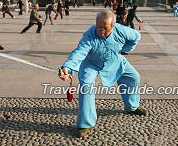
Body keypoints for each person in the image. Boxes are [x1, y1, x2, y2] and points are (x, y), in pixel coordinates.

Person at [58, 10, 146, 138]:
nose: (101, 31)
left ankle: (132, 106)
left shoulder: (121, 30)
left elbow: (136, 36)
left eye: (105, 28)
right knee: (86, 87)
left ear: (113, 26)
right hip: (91, 63)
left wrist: (125, 49)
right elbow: (79, 52)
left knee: (133, 77)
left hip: (114, 59)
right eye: (99, 27)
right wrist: (67, 68)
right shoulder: (89, 35)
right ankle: (85, 124)